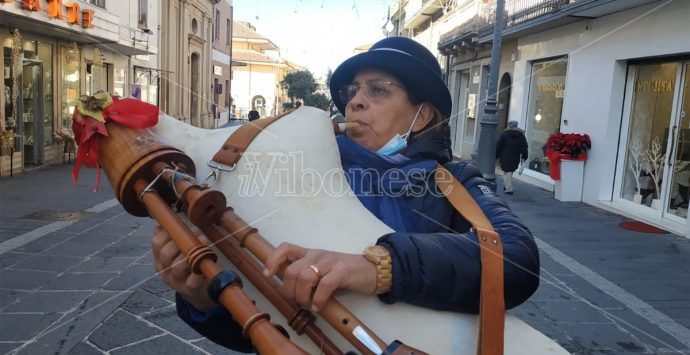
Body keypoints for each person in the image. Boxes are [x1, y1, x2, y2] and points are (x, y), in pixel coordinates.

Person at [152, 36, 540, 352]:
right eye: (352, 91)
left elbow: (516, 260)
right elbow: (264, 331)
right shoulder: (308, 176)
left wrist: (380, 267)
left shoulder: (454, 181)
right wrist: (202, 298)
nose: (354, 100)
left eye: (378, 90)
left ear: (421, 115)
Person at [496, 120, 528, 195]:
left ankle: (509, 189)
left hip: (505, 155)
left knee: (507, 171)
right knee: (509, 171)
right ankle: (506, 185)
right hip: (515, 156)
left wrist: (496, 155)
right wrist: (524, 156)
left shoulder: (504, 134)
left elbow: (499, 145)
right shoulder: (521, 135)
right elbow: (524, 147)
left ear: (509, 125)